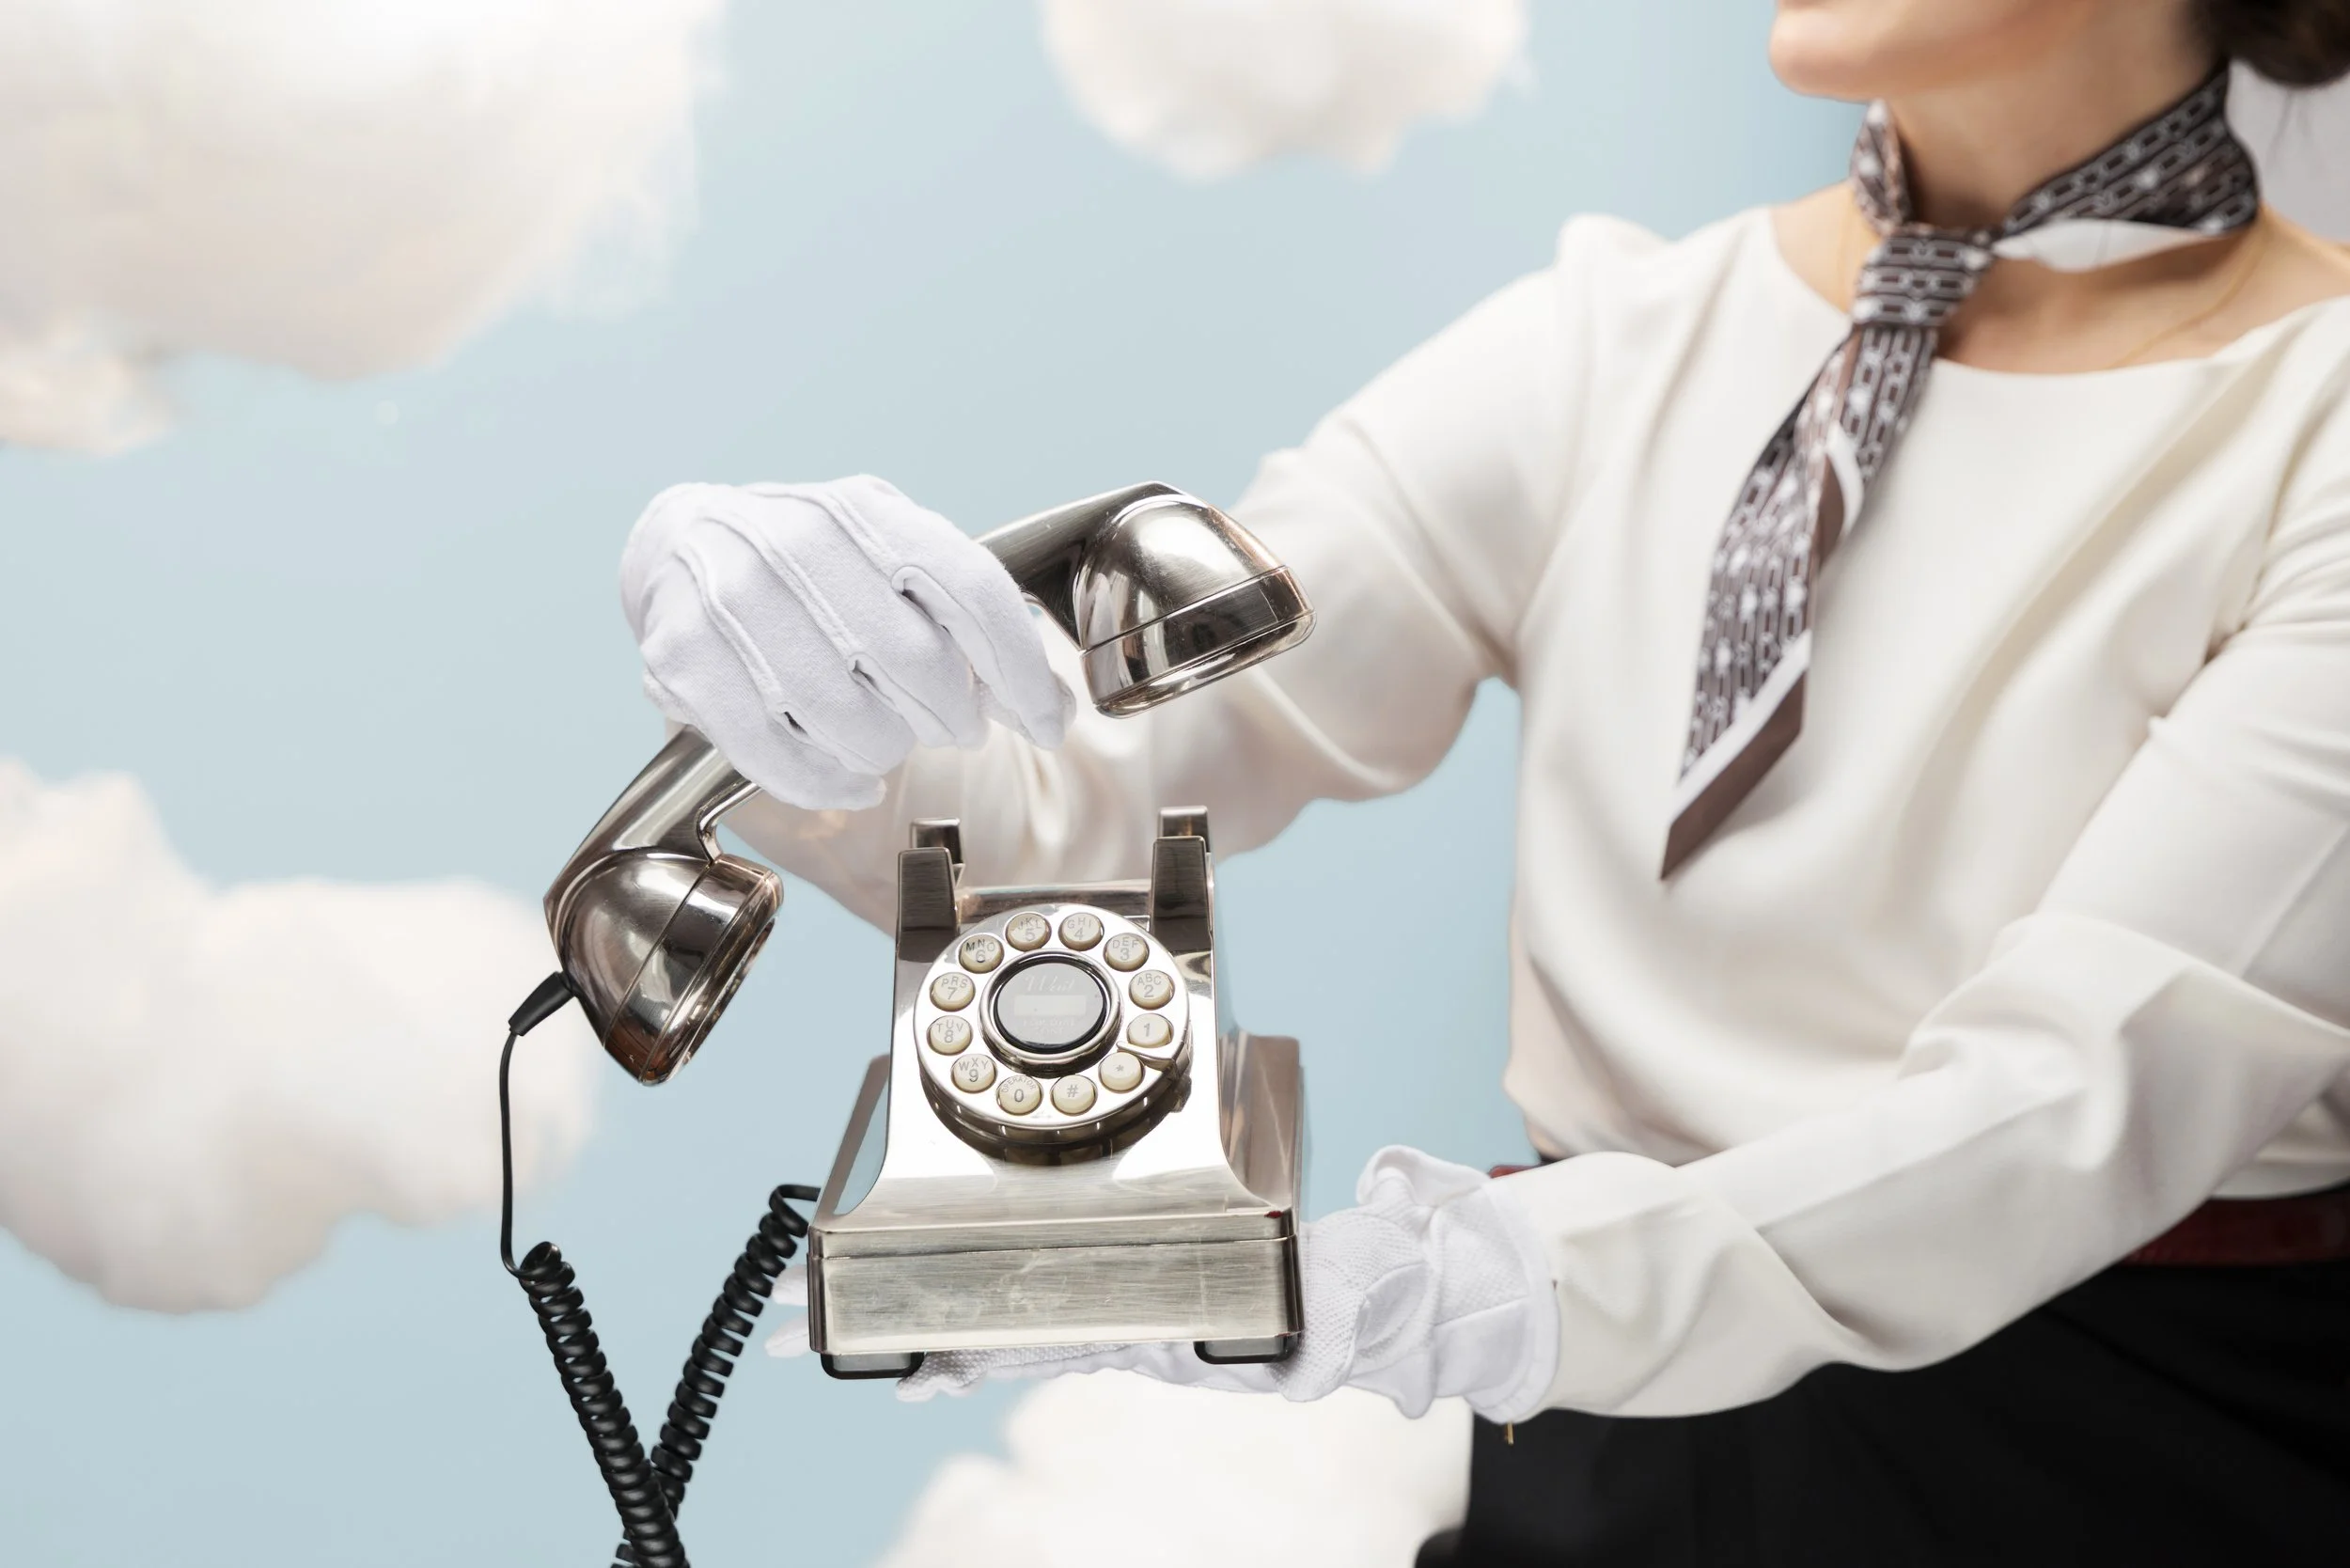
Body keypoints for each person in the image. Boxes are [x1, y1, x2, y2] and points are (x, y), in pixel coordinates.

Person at [617, 1, 2350, 1560]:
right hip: (1591, 1446)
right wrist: (794, 687)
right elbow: (1088, 792)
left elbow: (2077, 1100)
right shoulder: (1614, 336)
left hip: (2107, 1449)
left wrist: (1437, 1294)